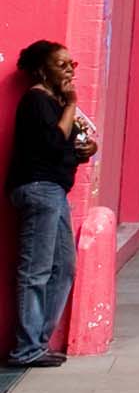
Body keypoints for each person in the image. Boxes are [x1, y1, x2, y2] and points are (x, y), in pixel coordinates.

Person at [7, 40, 97, 368]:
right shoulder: (36, 100)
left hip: (54, 191)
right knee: (36, 270)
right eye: (62, 65)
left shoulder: (55, 104)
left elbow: (69, 146)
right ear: (42, 70)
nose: (71, 70)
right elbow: (52, 142)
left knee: (64, 267)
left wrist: (88, 148)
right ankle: (26, 348)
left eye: (72, 64)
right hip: (38, 189)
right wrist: (71, 103)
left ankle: (38, 341)